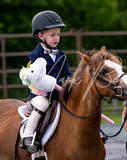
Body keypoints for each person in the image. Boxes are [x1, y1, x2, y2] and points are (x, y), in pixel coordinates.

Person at [20, 10, 72, 152]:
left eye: (58, 34)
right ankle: (28, 136)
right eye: (52, 35)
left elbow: (67, 73)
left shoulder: (62, 55)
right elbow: (37, 78)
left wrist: (69, 83)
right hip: (39, 95)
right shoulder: (35, 55)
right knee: (42, 105)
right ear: (41, 35)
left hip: (58, 94)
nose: (56, 38)